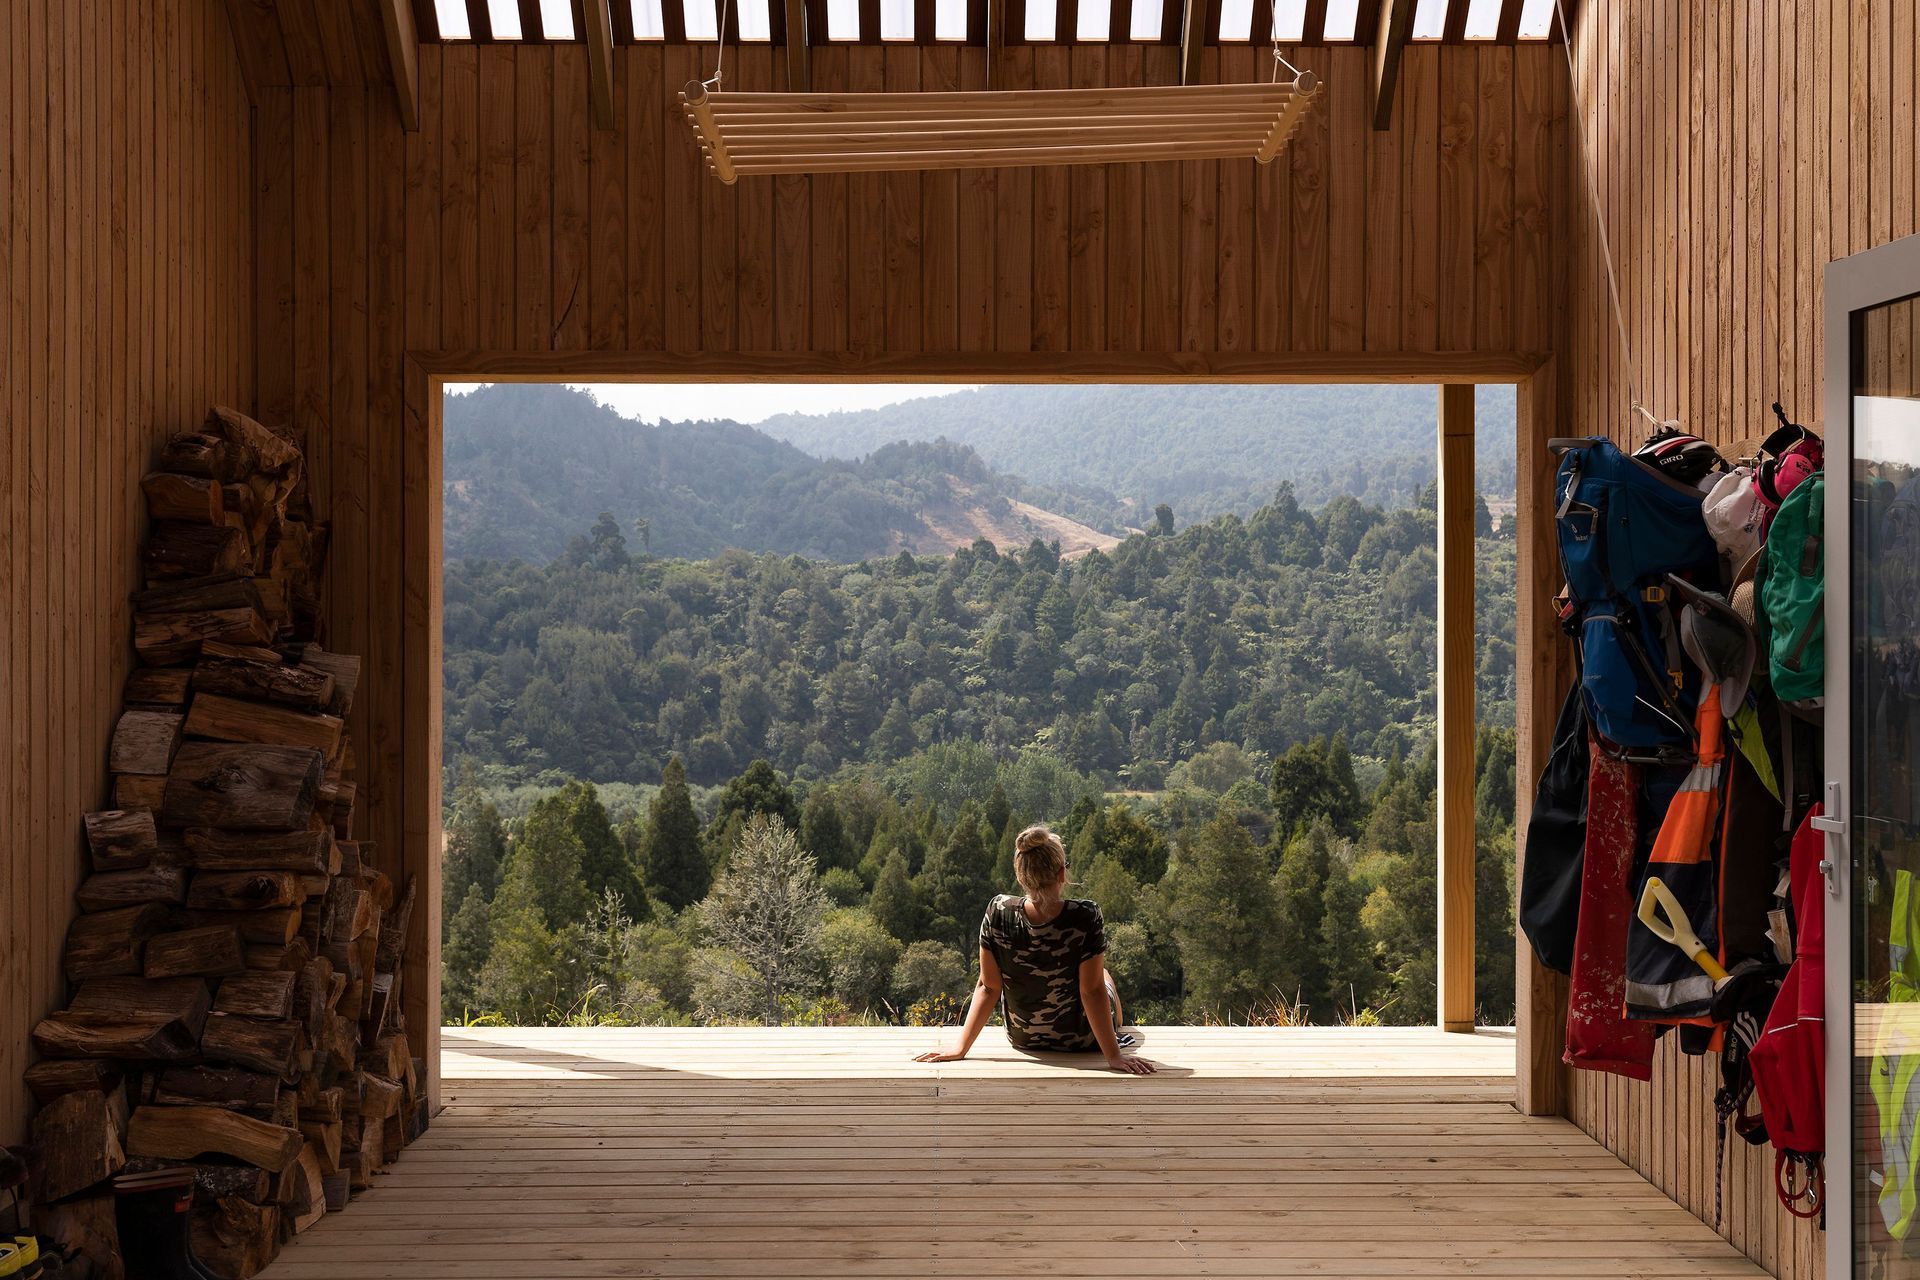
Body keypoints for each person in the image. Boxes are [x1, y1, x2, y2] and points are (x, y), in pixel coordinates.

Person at [915, 824, 1156, 1075]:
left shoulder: (998, 911)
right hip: (1082, 1039)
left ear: (1021, 876)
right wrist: (1114, 1056)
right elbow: (1092, 990)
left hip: (1023, 1037)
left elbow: (988, 987)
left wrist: (960, 1048)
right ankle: (1118, 1026)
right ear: (1061, 873)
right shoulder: (1085, 915)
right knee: (1103, 975)